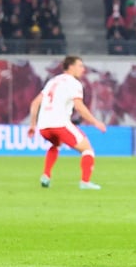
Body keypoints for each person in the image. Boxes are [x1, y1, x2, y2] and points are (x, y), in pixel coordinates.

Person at [28, 56, 108, 189]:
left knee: (56, 144)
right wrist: (96, 122)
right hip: (59, 124)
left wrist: (32, 125)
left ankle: (46, 176)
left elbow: (35, 103)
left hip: (44, 126)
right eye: (80, 66)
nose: (83, 69)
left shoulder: (52, 81)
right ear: (71, 67)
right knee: (87, 149)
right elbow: (79, 107)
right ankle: (85, 182)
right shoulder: (74, 83)